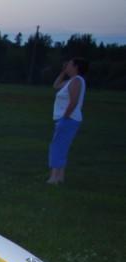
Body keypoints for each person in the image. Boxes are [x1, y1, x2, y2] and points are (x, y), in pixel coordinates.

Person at [47, 57, 88, 185]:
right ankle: (60, 177)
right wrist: (63, 72)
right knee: (61, 147)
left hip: (68, 119)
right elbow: (56, 85)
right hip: (68, 119)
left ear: (76, 67)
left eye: (69, 64)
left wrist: (65, 117)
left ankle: (54, 178)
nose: (67, 65)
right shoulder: (71, 81)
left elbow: (73, 102)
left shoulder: (76, 81)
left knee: (57, 147)